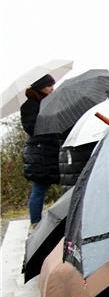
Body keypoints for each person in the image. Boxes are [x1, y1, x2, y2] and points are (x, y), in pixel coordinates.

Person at [20, 73, 58, 223]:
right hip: (40, 152)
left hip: (52, 150)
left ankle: (61, 220)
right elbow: (31, 127)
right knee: (39, 189)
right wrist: (47, 117)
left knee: (67, 186)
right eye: (49, 86)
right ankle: (35, 223)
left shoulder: (48, 102)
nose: (52, 89)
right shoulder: (30, 105)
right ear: (41, 87)